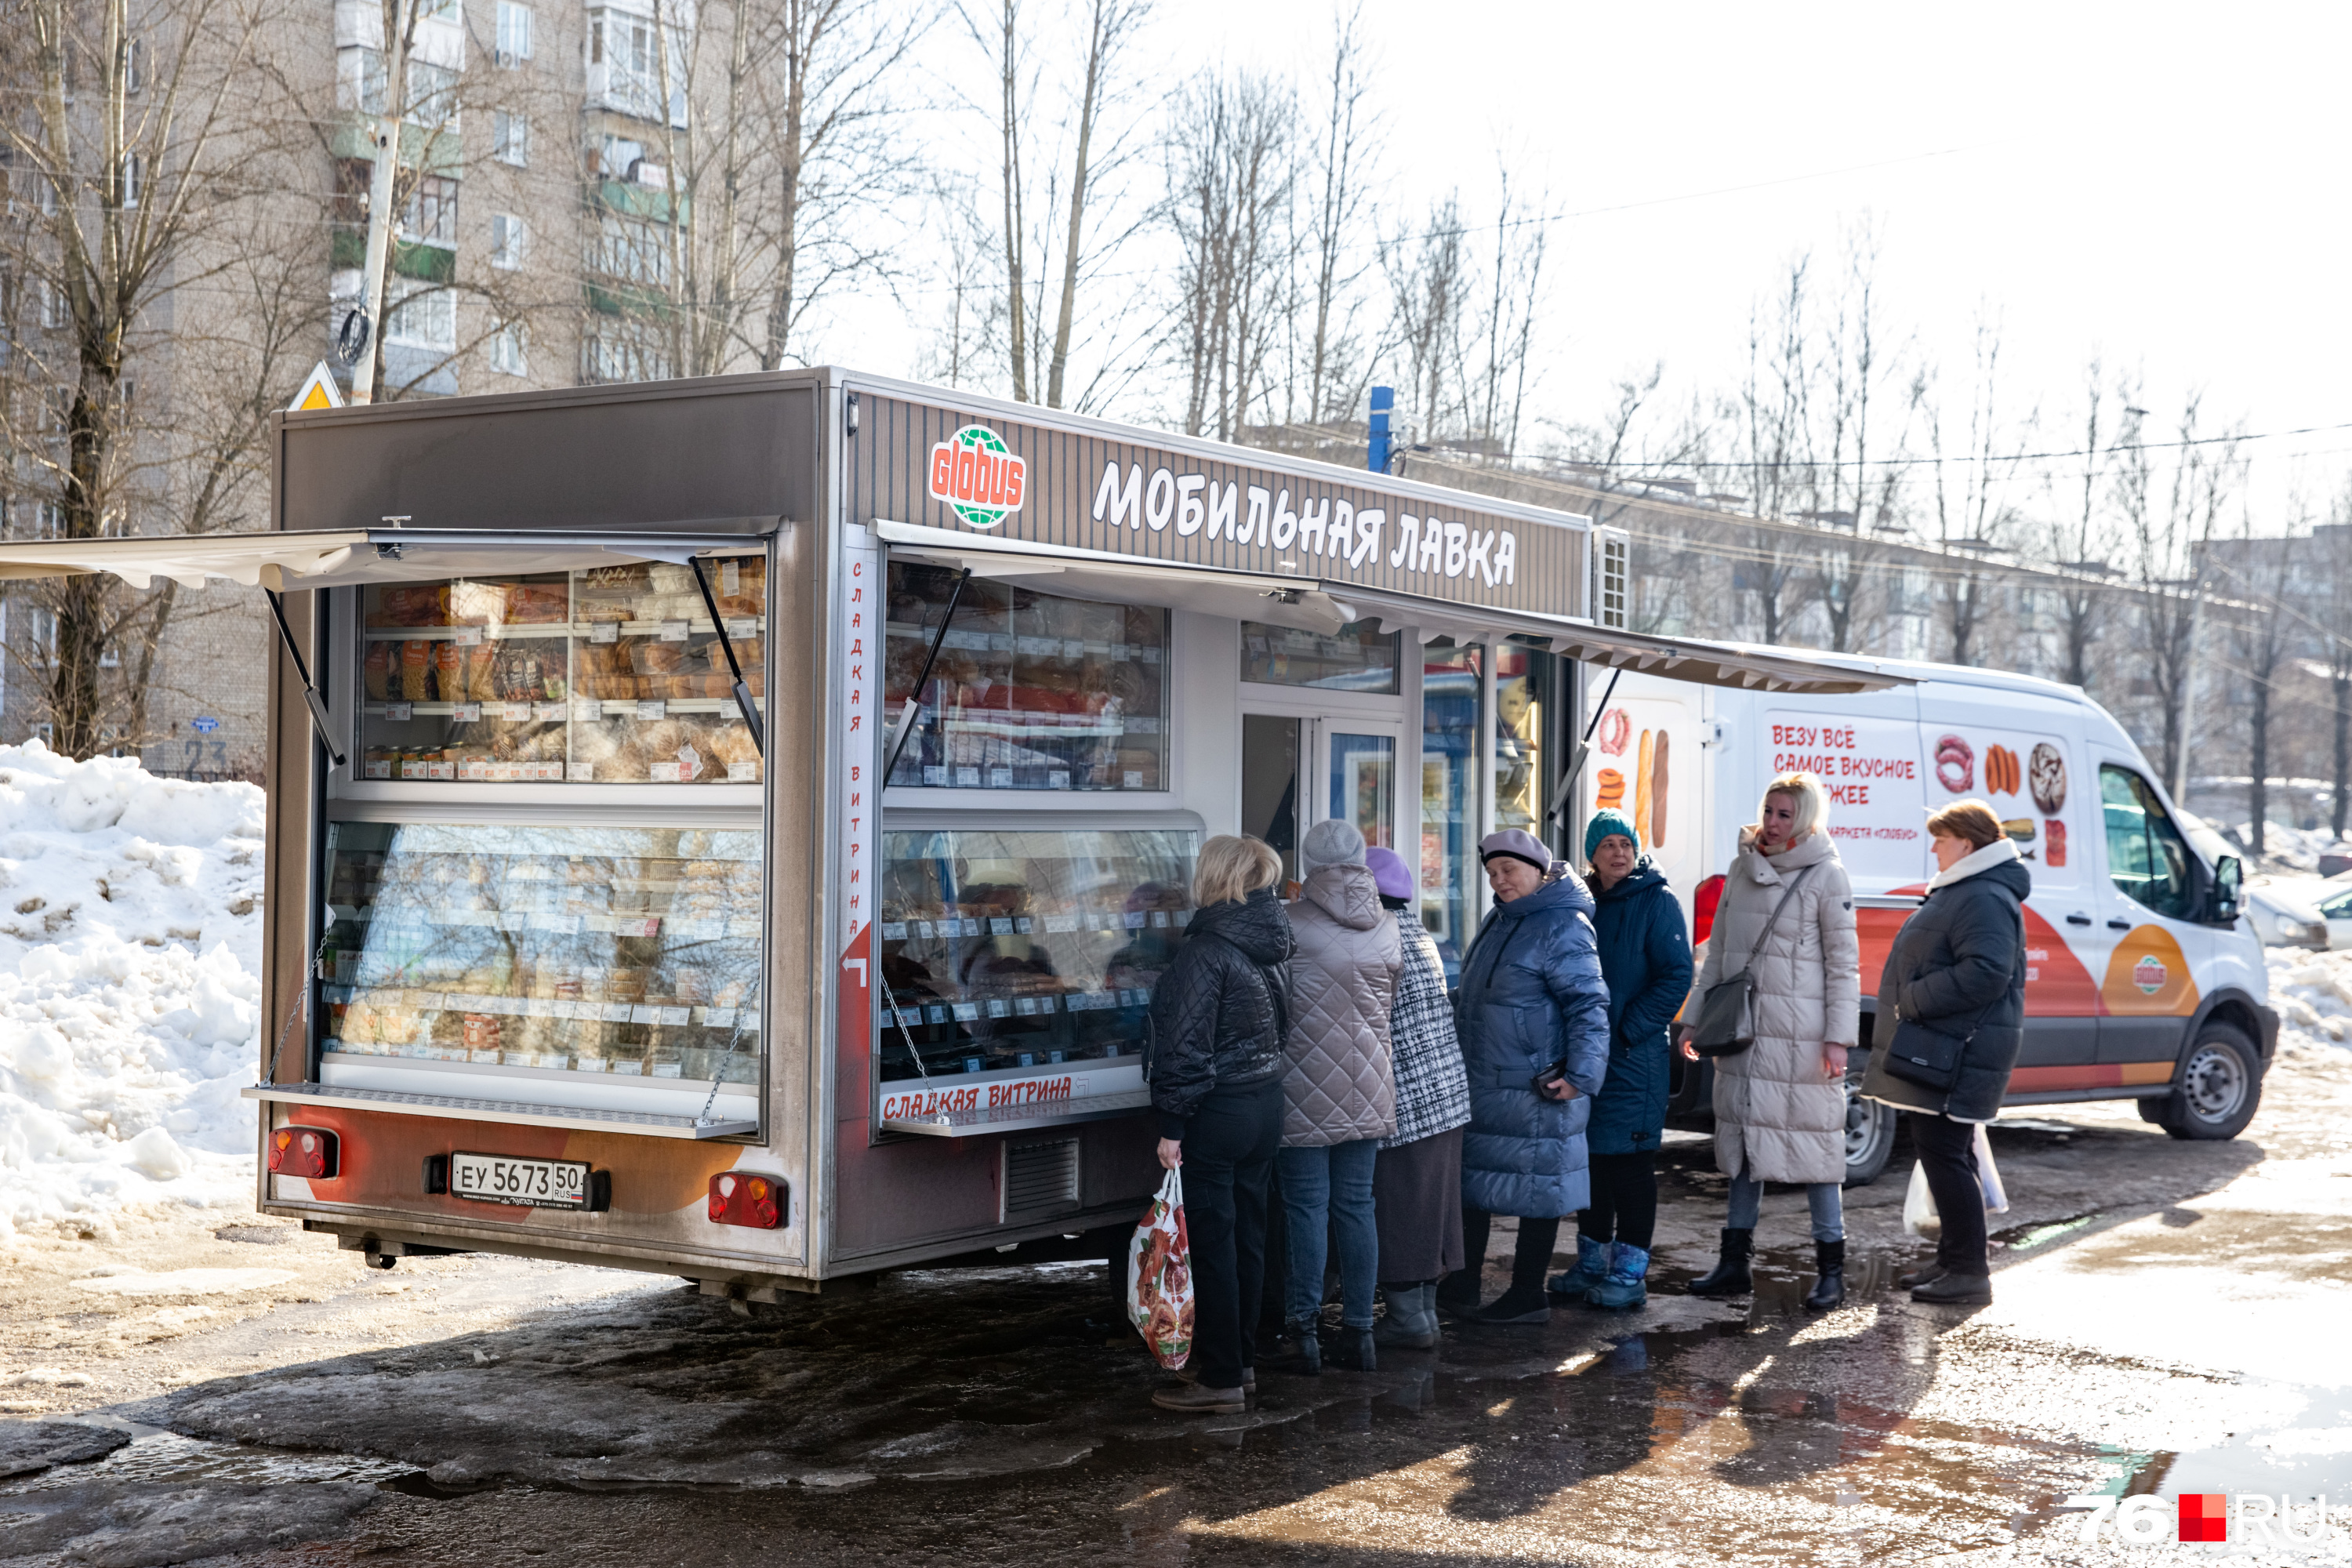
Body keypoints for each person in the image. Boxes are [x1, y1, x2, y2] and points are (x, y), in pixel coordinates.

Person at [1682, 772, 1860, 1312]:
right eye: (1770, 811)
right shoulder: (1741, 868)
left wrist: (1838, 1040)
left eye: (1786, 814)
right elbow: (1718, 955)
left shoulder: (1828, 876)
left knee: (1817, 1148)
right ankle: (1734, 1264)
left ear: (1805, 820)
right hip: (1744, 1034)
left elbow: (1844, 966)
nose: (1774, 823)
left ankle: (1832, 1270)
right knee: (1742, 1147)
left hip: (1801, 1041)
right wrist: (1694, 1018)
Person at [1144, 834, 1294, 1414]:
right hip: (1264, 1101)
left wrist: (1171, 1125)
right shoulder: (1271, 941)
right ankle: (1244, 1362)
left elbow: (1183, 1049)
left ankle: (1222, 1378)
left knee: (1212, 1244)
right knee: (1250, 1238)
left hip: (1218, 1110)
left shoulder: (1206, 951)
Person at [1438, 827, 1612, 1326]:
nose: (1500, 881)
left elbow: (1590, 1006)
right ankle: (1463, 1284)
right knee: (1475, 1184)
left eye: (1509, 871)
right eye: (1492, 873)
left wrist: (1581, 1074)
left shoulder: (1565, 924)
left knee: (1540, 1189)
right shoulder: (1503, 918)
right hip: (1488, 1078)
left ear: (1539, 870)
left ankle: (1527, 1295)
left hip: (1539, 1084)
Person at [1862, 800, 2029, 1306]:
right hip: (1948, 1047)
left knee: (1946, 1153)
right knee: (1944, 1152)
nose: (1933, 847)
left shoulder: (1981, 896)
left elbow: (1986, 971)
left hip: (1959, 1050)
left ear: (1967, 844)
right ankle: (1954, 1259)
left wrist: (1913, 999)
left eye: (1941, 838)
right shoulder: (1966, 890)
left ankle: (1969, 1272)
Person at [1548, 808, 1693, 1311]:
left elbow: (1676, 976)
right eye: (1607, 844)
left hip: (1634, 1061)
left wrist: (1627, 1029)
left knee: (1629, 1168)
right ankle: (1592, 1264)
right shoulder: (1584, 904)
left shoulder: (1657, 901)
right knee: (1592, 1165)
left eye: (1625, 843)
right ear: (1592, 854)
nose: (1618, 852)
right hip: (1589, 1057)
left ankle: (1629, 1275)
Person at [1273, 819, 1403, 1374]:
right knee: (1357, 1206)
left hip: (1303, 1084)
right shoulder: (1389, 926)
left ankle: (1302, 1333)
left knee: (1306, 1207)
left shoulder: (1287, 923)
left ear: (1308, 864)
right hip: (1371, 1082)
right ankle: (1360, 1333)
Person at [1364, 845, 1472, 1351]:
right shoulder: (1418, 932)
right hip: (1445, 1096)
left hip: (1408, 1098)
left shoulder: (1380, 936)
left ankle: (1409, 1320)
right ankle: (1422, 1315)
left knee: (1404, 1207)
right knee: (1432, 1210)